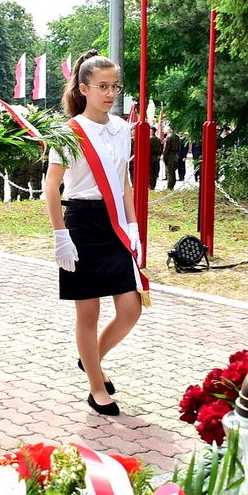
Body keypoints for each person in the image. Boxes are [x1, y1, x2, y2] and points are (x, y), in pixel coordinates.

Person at [45, 50, 145, 417]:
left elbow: (124, 181)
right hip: (82, 224)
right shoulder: (68, 133)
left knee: (131, 308)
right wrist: (61, 235)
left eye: (114, 86)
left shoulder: (121, 129)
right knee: (88, 313)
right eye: (102, 86)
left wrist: (133, 226)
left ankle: (91, 360)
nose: (110, 93)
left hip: (114, 222)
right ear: (84, 88)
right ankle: (96, 388)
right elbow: (51, 186)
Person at [162, 125, 181, 191]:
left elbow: (166, 148)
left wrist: (164, 157)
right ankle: (172, 185)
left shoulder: (169, 137)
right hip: (175, 156)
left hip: (170, 156)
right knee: (173, 172)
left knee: (169, 172)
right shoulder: (177, 137)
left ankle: (169, 187)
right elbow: (179, 148)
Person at [147, 124, 161, 190]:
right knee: (155, 171)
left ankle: (150, 185)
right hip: (156, 156)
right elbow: (160, 149)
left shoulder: (150, 139)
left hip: (151, 156)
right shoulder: (158, 139)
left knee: (151, 171)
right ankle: (153, 185)